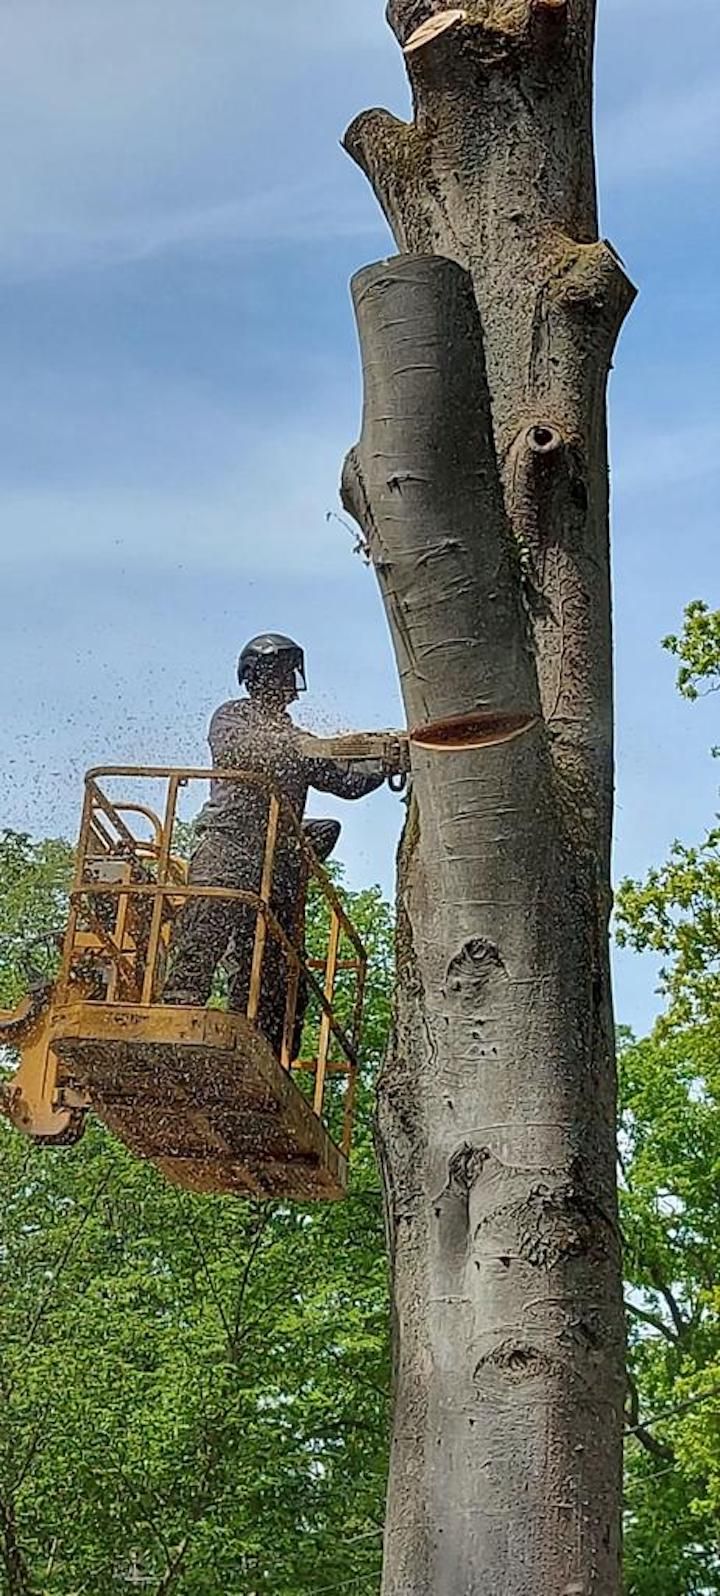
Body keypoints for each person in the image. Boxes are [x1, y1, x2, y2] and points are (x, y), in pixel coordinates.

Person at [163, 634, 396, 1057]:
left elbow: (346, 782)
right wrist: (311, 747)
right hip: (229, 843)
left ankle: (262, 1046)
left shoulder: (297, 739)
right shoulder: (233, 718)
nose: (289, 680)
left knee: (276, 960)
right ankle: (176, 1014)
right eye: (282, 671)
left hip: (275, 861)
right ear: (257, 676)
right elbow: (248, 750)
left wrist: (382, 762)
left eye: (291, 672)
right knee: (206, 925)